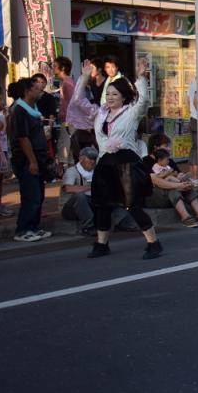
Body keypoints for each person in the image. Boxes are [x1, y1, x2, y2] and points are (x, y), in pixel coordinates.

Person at [72, 57, 163, 258]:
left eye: (115, 94)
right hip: (105, 163)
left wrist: (141, 77)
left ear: (123, 97)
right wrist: (85, 77)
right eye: (108, 94)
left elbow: (143, 101)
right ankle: (101, 244)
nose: (110, 97)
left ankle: (153, 243)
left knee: (132, 205)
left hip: (127, 164)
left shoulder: (131, 113)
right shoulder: (100, 113)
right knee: (102, 205)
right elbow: (78, 101)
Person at [8, 77, 51, 242]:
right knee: (31, 195)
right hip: (26, 160)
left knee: (38, 195)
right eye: (37, 88)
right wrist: (32, 161)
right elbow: (23, 138)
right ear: (27, 91)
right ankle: (23, 229)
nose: (40, 90)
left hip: (38, 157)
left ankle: (33, 227)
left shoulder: (33, 109)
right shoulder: (19, 110)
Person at [61, 146, 138, 235]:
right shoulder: (72, 171)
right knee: (80, 196)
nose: (92, 161)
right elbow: (68, 188)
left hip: (93, 204)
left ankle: (122, 224)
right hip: (71, 208)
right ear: (81, 159)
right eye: (90, 158)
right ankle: (88, 227)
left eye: (94, 159)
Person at [53, 56, 76, 168]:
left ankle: (62, 172)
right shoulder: (66, 82)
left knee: (64, 148)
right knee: (69, 150)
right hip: (68, 120)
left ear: (62, 68)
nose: (53, 68)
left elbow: (74, 102)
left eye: (55, 66)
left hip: (69, 120)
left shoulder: (67, 83)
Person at [0, 98, 14, 218]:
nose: (1, 102)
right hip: (0, 151)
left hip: (3, 149)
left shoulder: (2, 115)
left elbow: (6, 132)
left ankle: (0, 205)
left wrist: (7, 117)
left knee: (0, 179)